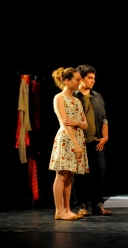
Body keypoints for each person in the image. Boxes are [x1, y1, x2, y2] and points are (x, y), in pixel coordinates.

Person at [49, 67, 89, 220]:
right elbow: (64, 123)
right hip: (67, 139)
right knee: (61, 174)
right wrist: (75, 144)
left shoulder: (77, 101)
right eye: (77, 79)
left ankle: (67, 209)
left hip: (78, 137)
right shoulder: (59, 98)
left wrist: (76, 122)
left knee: (70, 175)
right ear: (67, 81)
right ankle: (59, 211)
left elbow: (85, 124)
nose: (80, 81)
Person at [72, 65, 111, 216]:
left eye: (94, 78)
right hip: (80, 142)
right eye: (89, 78)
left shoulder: (97, 97)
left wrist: (105, 137)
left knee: (100, 173)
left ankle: (98, 205)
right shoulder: (73, 97)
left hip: (96, 141)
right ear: (81, 79)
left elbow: (104, 119)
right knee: (80, 175)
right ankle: (82, 206)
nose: (93, 81)